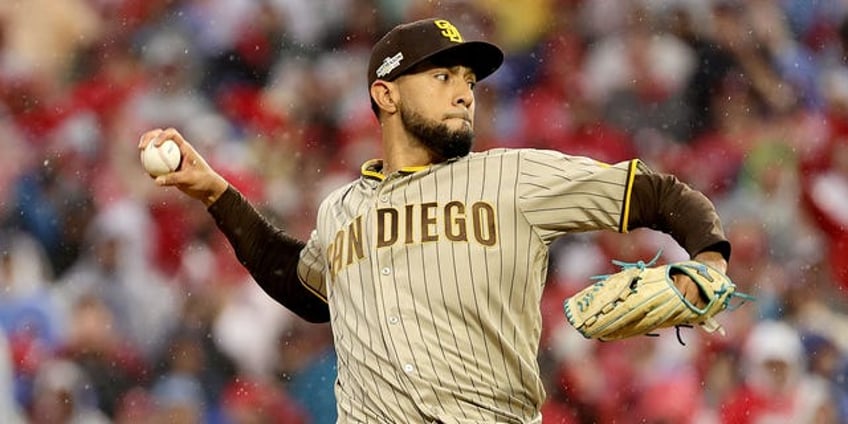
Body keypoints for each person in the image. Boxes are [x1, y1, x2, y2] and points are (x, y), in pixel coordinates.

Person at [138, 17, 731, 424]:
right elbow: (304, 288)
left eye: (468, 81)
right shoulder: (341, 209)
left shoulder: (514, 177)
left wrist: (708, 256)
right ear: (387, 95)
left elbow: (655, 192)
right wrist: (215, 191)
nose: (464, 93)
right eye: (442, 76)